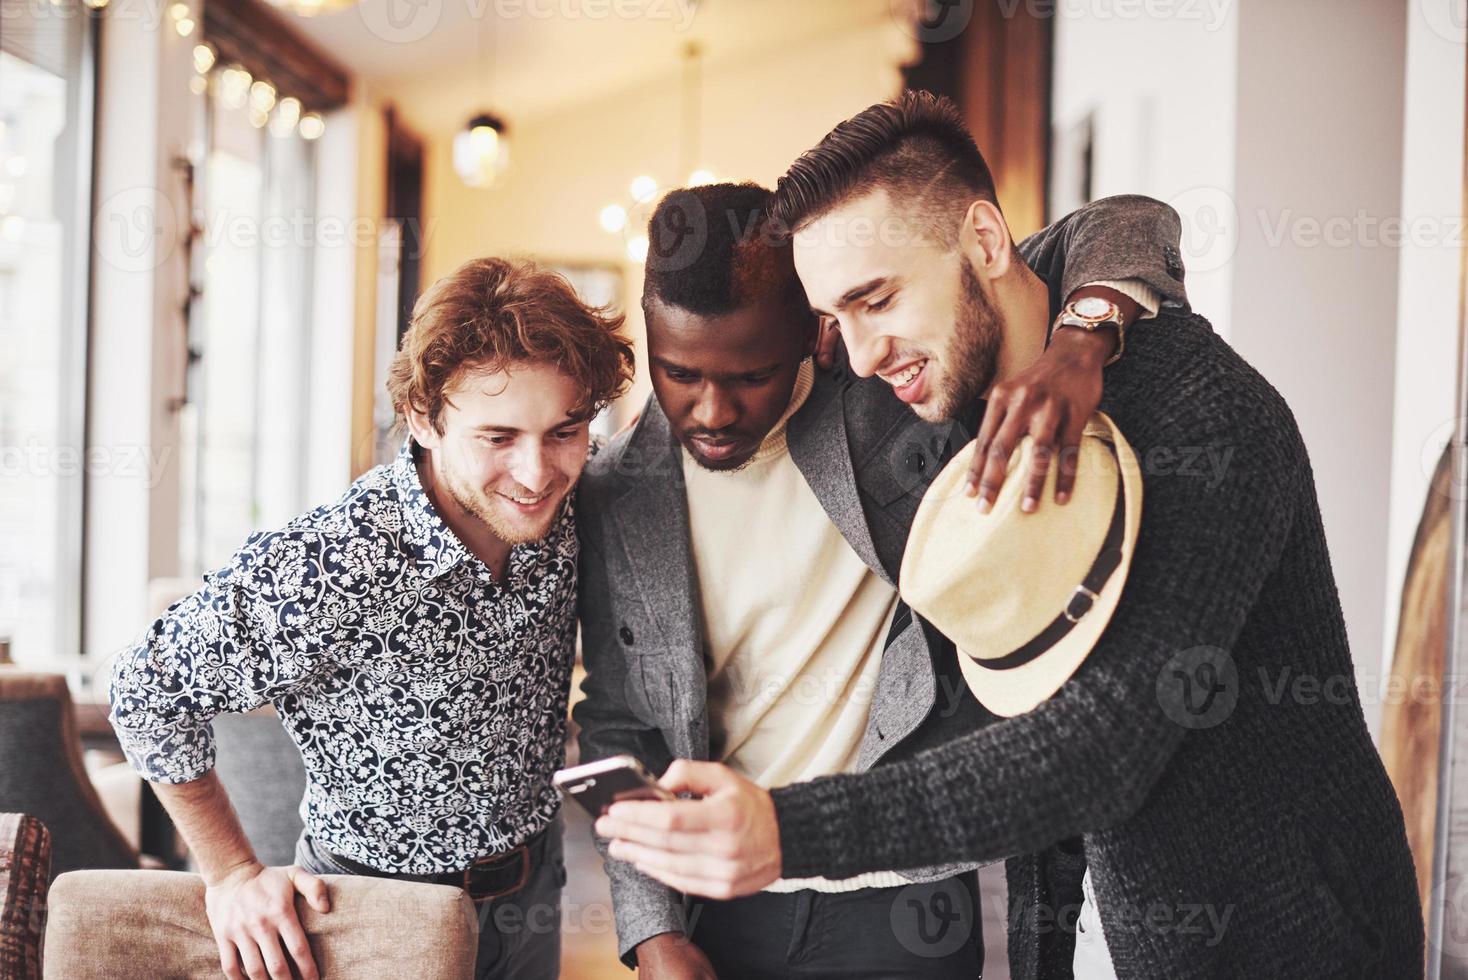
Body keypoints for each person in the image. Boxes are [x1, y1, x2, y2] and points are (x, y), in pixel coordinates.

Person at [593, 92, 1424, 978]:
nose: (862, 359)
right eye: (838, 319)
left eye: (875, 299)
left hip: (1298, 942)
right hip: (1131, 936)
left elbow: (1100, 746)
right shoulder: (968, 393)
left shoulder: (1203, 416)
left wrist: (787, 829)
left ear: (988, 245)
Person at [575, 180, 1188, 977]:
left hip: (899, 889)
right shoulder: (615, 494)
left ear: (813, 326)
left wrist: (1079, 341)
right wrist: (653, 932)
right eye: (680, 373)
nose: (714, 410)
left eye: (753, 375)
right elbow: (620, 719)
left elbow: (1128, 223)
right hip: (723, 890)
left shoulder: (887, 391)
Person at [108, 257, 634, 980]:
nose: (538, 471)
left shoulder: (574, 501)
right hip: (373, 912)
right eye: (497, 437)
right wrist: (230, 873)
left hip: (535, 891)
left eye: (565, 431)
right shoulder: (335, 558)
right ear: (424, 418)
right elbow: (145, 690)